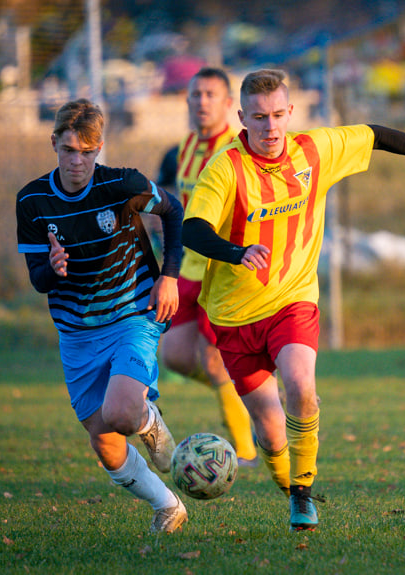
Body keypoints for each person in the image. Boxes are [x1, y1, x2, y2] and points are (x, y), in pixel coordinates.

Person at [182, 69, 405, 532]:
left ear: (291, 112)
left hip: (293, 300)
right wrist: (237, 253)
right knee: (269, 426)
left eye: (279, 115)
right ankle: (289, 488)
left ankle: (303, 492)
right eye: (259, 118)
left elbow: (378, 135)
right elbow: (192, 229)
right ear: (242, 117)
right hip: (233, 314)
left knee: (301, 384)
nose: (270, 127)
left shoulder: (314, 149)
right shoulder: (225, 167)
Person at [16, 99, 188, 533]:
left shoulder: (122, 184)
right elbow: (38, 279)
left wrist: (168, 278)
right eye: (70, 150)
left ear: (100, 148)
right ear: (54, 142)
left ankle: (150, 423)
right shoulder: (33, 201)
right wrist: (52, 270)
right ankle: (168, 506)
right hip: (76, 332)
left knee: (124, 412)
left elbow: (173, 211)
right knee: (104, 440)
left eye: (88, 152)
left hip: (134, 313)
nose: (78, 161)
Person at [156, 67, 258, 467]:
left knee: (217, 362)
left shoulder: (236, 150)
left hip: (222, 271)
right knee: (176, 358)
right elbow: (170, 203)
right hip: (185, 271)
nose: (202, 102)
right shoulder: (180, 150)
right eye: (195, 94)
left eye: (211, 94)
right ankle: (245, 393)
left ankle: (247, 454)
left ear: (229, 104)